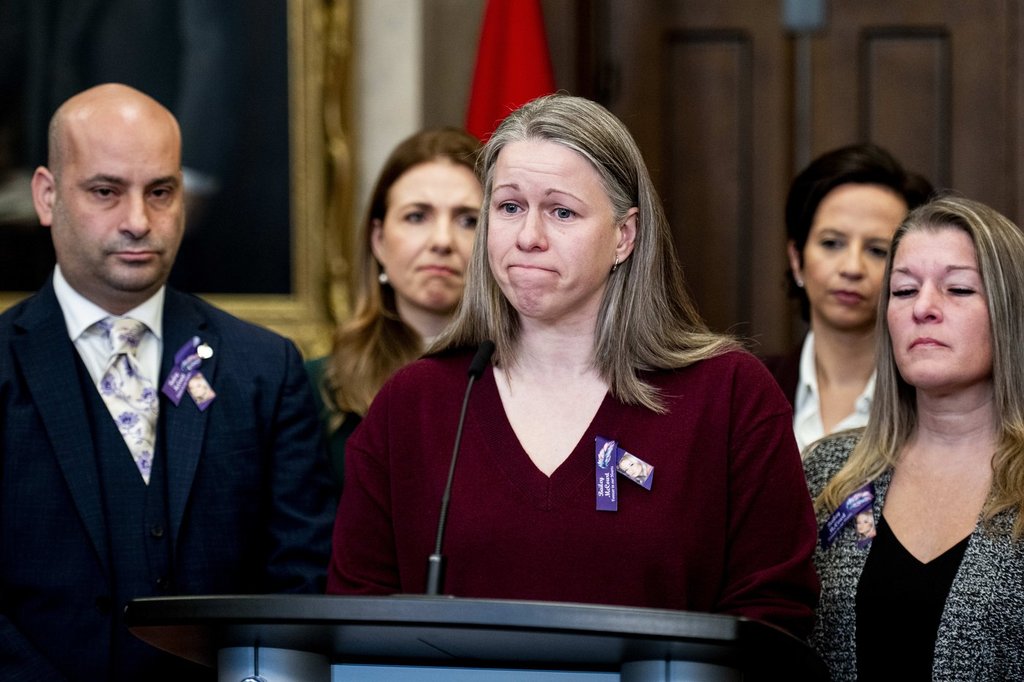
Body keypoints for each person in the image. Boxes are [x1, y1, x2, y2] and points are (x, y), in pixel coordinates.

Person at [327, 94, 820, 638]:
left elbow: (775, 617)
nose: (529, 237)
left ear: (624, 236)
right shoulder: (414, 402)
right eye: (509, 207)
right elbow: (355, 619)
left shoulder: (728, 394)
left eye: (561, 211)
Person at [0, 83, 336, 681]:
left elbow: (301, 582)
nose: (139, 221)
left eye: (161, 192)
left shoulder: (265, 368)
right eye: (106, 192)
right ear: (47, 196)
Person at [804, 195, 1024, 680]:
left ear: (1011, 313)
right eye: (904, 291)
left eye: (959, 289)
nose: (923, 308)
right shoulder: (827, 471)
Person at [306, 127, 482, 489]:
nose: (442, 241)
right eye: (417, 216)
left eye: (469, 220)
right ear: (379, 240)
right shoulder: (317, 387)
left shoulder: (528, 381)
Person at [762, 144, 932, 453]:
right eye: (832, 243)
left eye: (878, 250)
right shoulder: (753, 389)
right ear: (797, 258)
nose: (852, 268)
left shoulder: (931, 403)